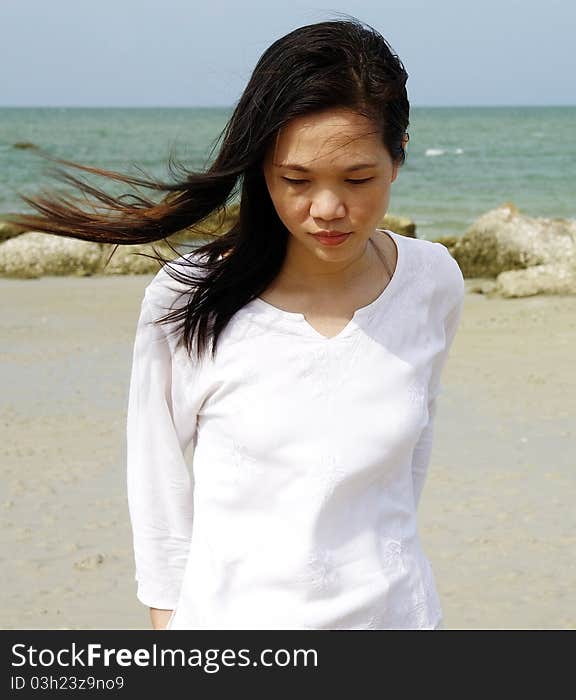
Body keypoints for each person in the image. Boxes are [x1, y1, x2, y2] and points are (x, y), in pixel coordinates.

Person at [8, 17, 464, 630]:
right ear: (261, 169)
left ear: (398, 157)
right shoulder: (190, 295)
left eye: (358, 179)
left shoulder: (431, 281)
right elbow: (157, 483)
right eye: (296, 180)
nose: (327, 210)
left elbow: (411, 458)